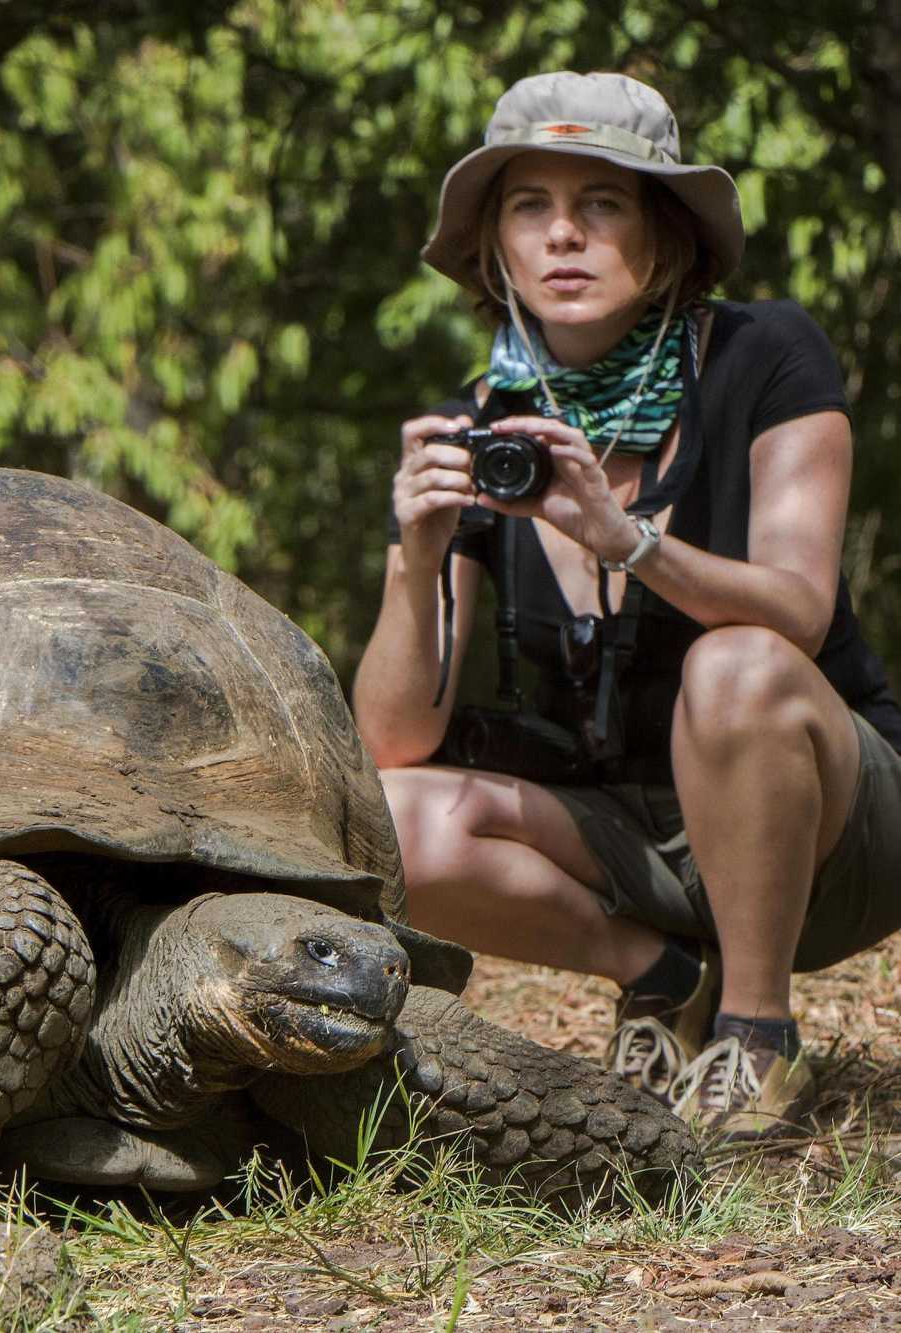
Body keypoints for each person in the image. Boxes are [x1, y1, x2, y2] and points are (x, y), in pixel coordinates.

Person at [352, 70, 901, 1141]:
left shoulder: (765, 356)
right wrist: (415, 558)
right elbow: (394, 737)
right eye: (529, 206)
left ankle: (754, 1032)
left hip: (832, 829)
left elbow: (795, 609)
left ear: (664, 235)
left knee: (734, 665)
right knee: (380, 812)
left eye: (600, 203)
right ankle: (662, 980)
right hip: (627, 834)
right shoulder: (488, 433)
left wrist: (626, 538)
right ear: (494, 248)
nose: (563, 235)